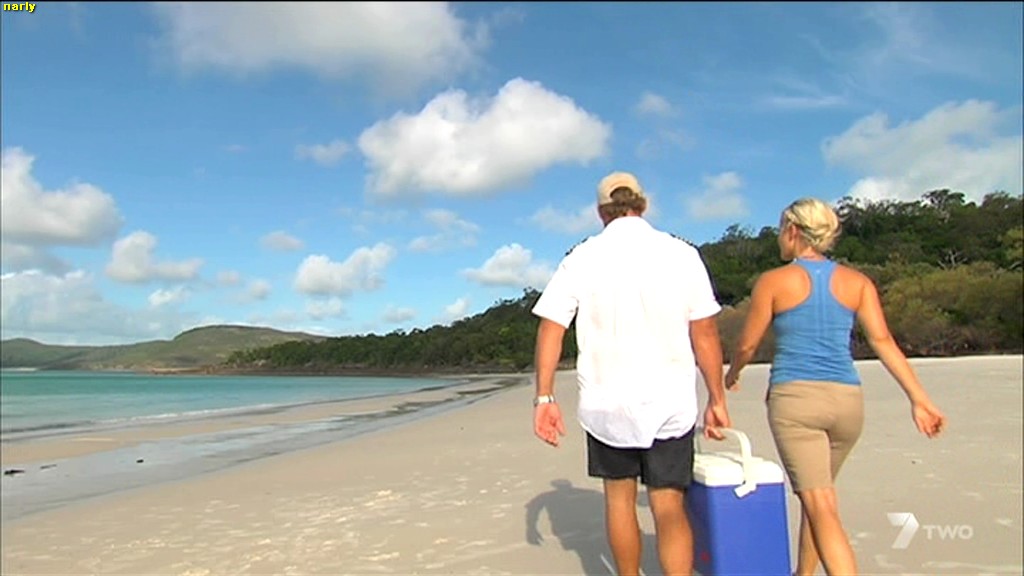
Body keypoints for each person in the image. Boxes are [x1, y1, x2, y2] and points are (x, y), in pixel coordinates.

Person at [724, 197, 947, 576]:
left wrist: (733, 374)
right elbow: (883, 341)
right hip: (847, 403)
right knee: (819, 498)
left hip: (797, 403)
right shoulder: (857, 282)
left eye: (780, 230)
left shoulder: (774, 281)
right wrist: (919, 399)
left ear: (793, 231)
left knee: (821, 504)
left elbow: (747, 344)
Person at [531, 171, 731, 576]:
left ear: (600, 212)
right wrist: (717, 397)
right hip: (670, 401)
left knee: (619, 500)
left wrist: (545, 397)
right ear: (644, 204)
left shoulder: (582, 257)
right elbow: (705, 332)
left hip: (607, 402)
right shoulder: (681, 253)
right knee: (668, 504)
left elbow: (551, 327)